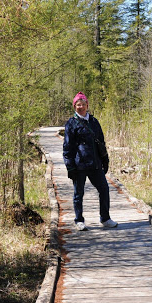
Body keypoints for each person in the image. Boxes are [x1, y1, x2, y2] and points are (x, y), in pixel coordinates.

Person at [63, 92, 118, 231]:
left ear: (87, 105)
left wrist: (105, 160)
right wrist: (70, 167)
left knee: (104, 189)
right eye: (78, 105)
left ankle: (105, 218)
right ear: (74, 107)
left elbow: (101, 141)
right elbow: (67, 146)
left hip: (95, 164)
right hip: (79, 165)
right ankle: (79, 220)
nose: (80, 107)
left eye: (83, 104)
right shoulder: (71, 123)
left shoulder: (94, 122)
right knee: (78, 193)